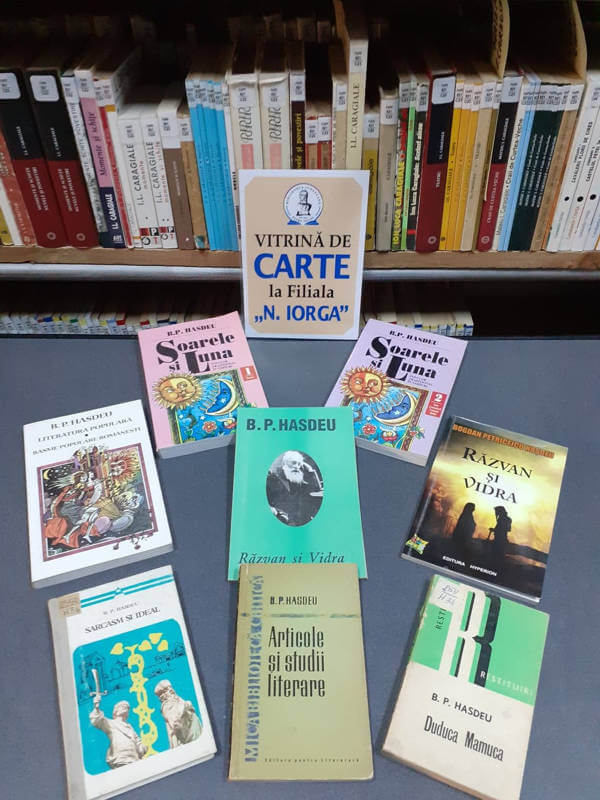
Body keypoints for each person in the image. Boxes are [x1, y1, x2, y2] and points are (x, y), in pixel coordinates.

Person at [266, 451, 323, 527]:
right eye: (294, 463)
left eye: (299, 464)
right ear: (284, 463)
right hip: (280, 519)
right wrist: (277, 513)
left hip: (297, 520)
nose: (297, 467)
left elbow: (317, 489)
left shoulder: (297, 478)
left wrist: (310, 469)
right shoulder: (273, 477)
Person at [89, 697, 147, 769]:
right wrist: (96, 708)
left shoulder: (130, 728)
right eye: (121, 707)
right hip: (120, 759)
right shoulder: (110, 723)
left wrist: (143, 747)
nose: (124, 708)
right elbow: (97, 720)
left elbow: (138, 743)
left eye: (126, 707)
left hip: (133, 759)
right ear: (116, 712)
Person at [154, 679, 202, 747]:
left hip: (195, 733)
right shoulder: (167, 705)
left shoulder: (177, 700)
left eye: (170, 688)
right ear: (163, 694)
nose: (171, 690)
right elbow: (175, 723)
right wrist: (186, 705)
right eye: (167, 689)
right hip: (189, 740)